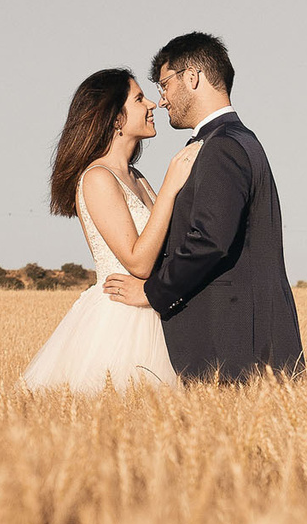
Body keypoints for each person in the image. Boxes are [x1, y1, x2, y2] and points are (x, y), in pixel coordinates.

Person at [101, 32, 304, 382]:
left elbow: (209, 241)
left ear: (192, 77)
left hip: (231, 345)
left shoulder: (221, 147)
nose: (161, 101)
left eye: (164, 85)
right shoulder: (238, 140)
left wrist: (152, 292)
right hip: (244, 338)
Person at [17, 67, 203, 393]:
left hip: (152, 308)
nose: (152, 105)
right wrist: (172, 186)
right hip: (120, 320)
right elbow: (138, 262)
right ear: (116, 118)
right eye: (139, 98)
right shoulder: (98, 178)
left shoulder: (137, 177)